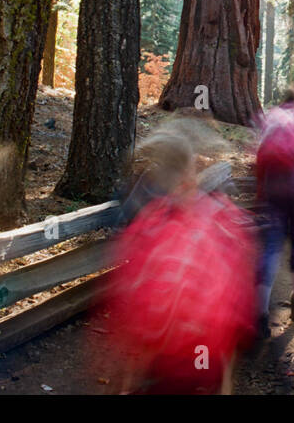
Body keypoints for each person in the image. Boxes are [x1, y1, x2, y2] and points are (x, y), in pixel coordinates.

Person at [98, 128, 257, 394]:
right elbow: (227, 302)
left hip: (158, 368)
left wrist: (127, 381)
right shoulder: (215, 222)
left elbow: (135, 311)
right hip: (202, 357)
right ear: (189, 179)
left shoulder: (146, 229)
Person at [254, 86, 294, 329]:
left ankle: (261, 313)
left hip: (272, 192)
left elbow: (260, 158)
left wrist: (261, 192)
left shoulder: (272, 121)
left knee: (270, 247)